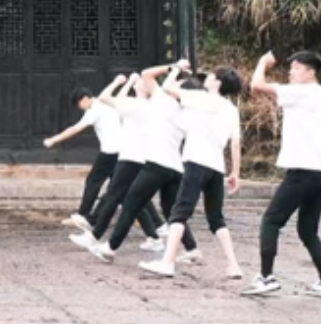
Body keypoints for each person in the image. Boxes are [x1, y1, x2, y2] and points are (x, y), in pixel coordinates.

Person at [245, 51, 321, 298]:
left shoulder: (302, 92)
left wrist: (262, 62)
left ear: (310, 72)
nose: (291, 72)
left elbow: (256, 85)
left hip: (303, 170)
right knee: (308, 231)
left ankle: (266, 277)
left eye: (296, 68)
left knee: (271, 221)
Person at [84, 61, 190, 262]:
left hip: (150, 162)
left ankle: (106, 244)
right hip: (171, 166)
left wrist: (174, 67)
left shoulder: (154, 102)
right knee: (167, 209)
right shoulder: (174, 108)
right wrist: (174, 74)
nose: (141, 80)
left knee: (129, 201)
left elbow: (107, 97)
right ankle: (188, 247)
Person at [143, 69, 244, 279]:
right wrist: (235, 172)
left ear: (217, 83)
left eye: (211, 76)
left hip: (196, 162)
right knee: (216, 218)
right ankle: (234, 265)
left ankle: (167, 262)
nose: (207, 78)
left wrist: (175, 69)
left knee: (179, 212)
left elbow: (167, 88)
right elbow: (235, 143)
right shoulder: (231, 109)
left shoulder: (200, 98)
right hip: (217, 167)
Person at [46, 78, 125, 233]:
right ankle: (153, 224)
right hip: (122, 151)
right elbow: (116, 93)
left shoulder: (93, 111)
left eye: (79, 104)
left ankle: (83, 215)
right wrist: (119, 82)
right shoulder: (106, 102)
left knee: (93, 181)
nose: (80, 108)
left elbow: (74, 129)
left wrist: (53, 140)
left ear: (84, 99)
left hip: (110, 153)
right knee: (120, 189)